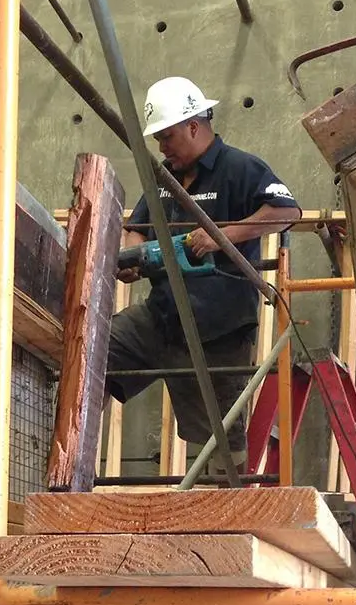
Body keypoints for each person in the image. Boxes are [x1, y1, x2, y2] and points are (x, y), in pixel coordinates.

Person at [105, 77, 302, 473]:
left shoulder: (240, 168)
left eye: (168, 137)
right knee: (89, 356)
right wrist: (129, 255)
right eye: (158, 139)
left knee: (221, 446)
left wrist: (221, 237)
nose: (162, 148)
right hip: (160, 318)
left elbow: (286, 212)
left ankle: (226, 523)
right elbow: (137, 228)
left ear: (194, 126)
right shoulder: (165, 179)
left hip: (219, 330)